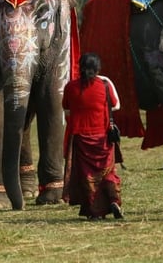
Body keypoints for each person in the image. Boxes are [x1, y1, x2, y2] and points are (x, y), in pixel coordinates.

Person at [62, 52, 123, 221]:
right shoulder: (104, 85)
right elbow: (116, 105)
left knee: (88, 177)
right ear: (98, 68)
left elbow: (66, 109)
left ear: (80, 68)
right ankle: (113, 200)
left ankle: (95, 212)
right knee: (108, 172)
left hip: (81, 138)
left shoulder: (71, 87)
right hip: (103, 137)